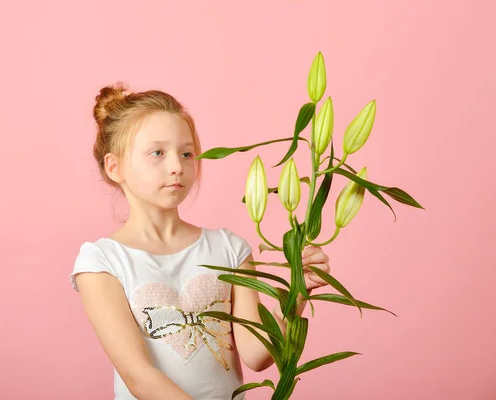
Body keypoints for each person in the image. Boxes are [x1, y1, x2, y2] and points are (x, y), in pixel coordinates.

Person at [70, 82, 333, 400]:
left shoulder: (229, 249)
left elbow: (257, 355)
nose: (176, 167)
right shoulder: (102, 261)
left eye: (186, 153)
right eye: (158, 153)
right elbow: (138, 375)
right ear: (115, 167)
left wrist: (297, 291)